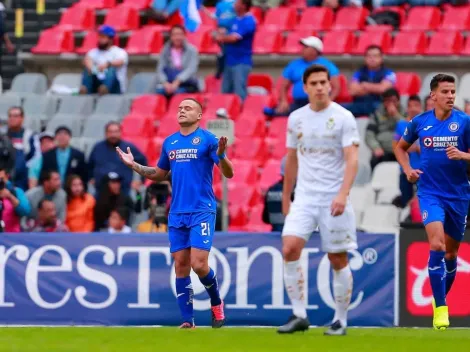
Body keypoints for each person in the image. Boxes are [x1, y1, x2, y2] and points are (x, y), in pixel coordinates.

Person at [116, 98, 234, 328]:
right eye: (179, 108)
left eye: (188, 108)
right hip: (177, 212)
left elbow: (229, 173)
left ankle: (216, 303)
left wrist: (221, 154)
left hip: (201, 210)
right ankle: (187, 321)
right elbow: (159, 174)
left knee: (199, 265)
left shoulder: (208, 140)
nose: (182, 110)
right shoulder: (170, 142)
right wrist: (134, 166)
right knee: (181, 265)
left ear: (199, 116)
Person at [278, 65, 360, 335]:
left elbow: (352, 159)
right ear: (305, 87)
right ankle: (299, 314)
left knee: (337, 258)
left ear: (330, 85)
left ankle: (340, 320)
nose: (320, 87)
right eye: (314, 83)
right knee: (289, 248)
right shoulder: (296, 118)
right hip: (304, 196)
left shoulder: (344, 117)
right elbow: (291, 159)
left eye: (324, 82)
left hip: (333, 197)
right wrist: (287, 196)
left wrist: (343, 194)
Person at [394, 73, 469, 330]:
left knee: (451, 253)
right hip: (429, 193)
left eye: (453, 91)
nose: (450, 96)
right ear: (433, 96)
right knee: (436, 245)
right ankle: (441, 307)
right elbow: (399, 147)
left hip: (458, 195)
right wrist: (407, 169)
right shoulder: (419, 122)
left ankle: (439, 299)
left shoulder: (464, 122)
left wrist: (462, 155)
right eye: (445, 92)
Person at [265, 36, 340, 117]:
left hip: (319, 101)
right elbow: (284, 86)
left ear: (315, 50)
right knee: (277, 113)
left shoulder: (327, 65)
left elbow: (336, 87)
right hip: (298, 103)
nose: (302, 49)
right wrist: (284, 101)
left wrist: (328, 102)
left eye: (306, 47)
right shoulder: (294, 64)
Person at [88, 121, 147, 196]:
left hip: (123, 192)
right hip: (101, 192)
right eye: (110, 132)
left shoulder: (128, 147)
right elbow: (90, 165)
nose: (113, 135)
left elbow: (143, 162)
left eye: (116, 131)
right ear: (105, 133)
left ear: (120, 132)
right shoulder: (98, 147)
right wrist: (91, 178)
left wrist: (140, 181)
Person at [216, 0, 256, 102]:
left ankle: (240, 113)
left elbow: (234, 38)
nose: (234, 5)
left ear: (244, 5)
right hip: (229, 61)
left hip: (241, 62)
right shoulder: (235, 19)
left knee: (239, 92)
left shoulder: (249, 21)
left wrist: (220, 38)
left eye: (237, 3)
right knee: (225, 91)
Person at [343, 45, 397, 117]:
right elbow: (352, 91)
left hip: (378, 104)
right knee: (340, 108)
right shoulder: (359, 73)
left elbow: (383, 89)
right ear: (365, 58)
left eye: (375, 56)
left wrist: (364, 85)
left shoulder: (389, 73)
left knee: (379, 107)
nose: (372, 59)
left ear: (381, 58)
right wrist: (374, 89)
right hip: (359, 104)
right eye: (369, 56)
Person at [392, 95, 422, 207]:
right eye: (411, 106)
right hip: (406, 170)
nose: (414, 108)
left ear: (421, 108)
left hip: (423, 171)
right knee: (406, 202)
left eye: (416, 106)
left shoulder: (427, 124)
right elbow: (396, 146)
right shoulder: (401, 124)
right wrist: (410, 147)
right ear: (407, 108)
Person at [80, 25, 128, 95]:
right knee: (87, 70)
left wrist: (107, 64)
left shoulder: (120, 52)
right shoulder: (94, 52)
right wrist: (92, 68)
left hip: (115, 86)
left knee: (110, 69)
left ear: (110, 39)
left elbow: (120, 61)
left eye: (103, 37)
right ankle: (85, 89)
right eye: (99, 36)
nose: (100, 39)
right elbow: (87, 59)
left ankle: (105, 88)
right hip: (97, 81)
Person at [156, 25, 200, 98]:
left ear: (184, 35)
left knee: (178, 94)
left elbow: (191, 69)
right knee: (159, 92)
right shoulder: (165, 50)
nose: (178, 37)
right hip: (169, 83)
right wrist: (165, 83)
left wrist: (177, 82)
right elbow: (160, 68)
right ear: (171, 37)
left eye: (180, 34)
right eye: (175, 35)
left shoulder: (192, 50)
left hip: (187, 83)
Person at [365, 88, 404, 169]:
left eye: (393, 101)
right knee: (374, 161)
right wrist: (376, 147)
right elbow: (369, 135)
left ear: (398, 101)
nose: (391, 104)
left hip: (402, 151)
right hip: (383, 151)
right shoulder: (376, 115)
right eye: (388, 101)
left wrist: (396, 115)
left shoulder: (405, 113)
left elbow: (408, 129)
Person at [6, 106, 40, 190]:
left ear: (22, 118)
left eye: (15, 116)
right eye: (10, 116)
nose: (12, 118)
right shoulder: (2, 135)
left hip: (24, 178)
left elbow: (36, 157)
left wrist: (23, 166)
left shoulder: (30, 136)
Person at [262, 157, 289, 232]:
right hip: (296, 237)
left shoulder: (272, 190)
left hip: (275, 236)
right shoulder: (301, 191)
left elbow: (266, 219)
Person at [0, 166, 30, 232]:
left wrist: (10, 196)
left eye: (1, 179)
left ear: (7, 177)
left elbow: (25, 211)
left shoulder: (16, 191)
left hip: (12, 237)